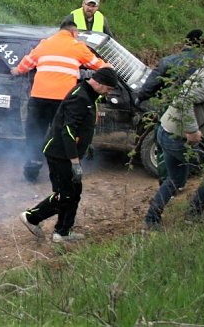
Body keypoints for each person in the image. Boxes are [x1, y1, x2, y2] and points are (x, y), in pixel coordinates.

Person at [143, 45, 204, 231]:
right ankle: (194, 214)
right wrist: (192, 130)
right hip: (178, 137)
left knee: (176, 179)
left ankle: (151, 219)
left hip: (167, 131)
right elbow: (184, 100)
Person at [19, 67, 120, 242]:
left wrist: (86, 145)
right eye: (108, 88)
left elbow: (82, 126)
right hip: (59, 153)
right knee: (64, 194)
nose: (108, 93)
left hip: (69, 152)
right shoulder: (80, 97)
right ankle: (31, 217)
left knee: (74, 192)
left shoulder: (90, 95)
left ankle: (62, 232)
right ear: (99, 83)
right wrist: (74, 161)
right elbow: (68, 130)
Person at [11, 21, 110, 181]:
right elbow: (99, 66)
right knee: (62, 135)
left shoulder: (44, 44)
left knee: (35, 133)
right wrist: (110, 66)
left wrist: (16, 70)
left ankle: (31, 172)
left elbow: (26, 64)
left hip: (38, 98)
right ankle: (62, 172)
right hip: (63, 100)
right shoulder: (77, 47)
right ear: (74, 33)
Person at [136, 29, 204, 111]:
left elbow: (149, 87)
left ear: (185, 42)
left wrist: (140, 98)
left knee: (141, 104)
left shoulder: (169, 61)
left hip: (167, 107)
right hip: (192, 110)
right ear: (203, 46)